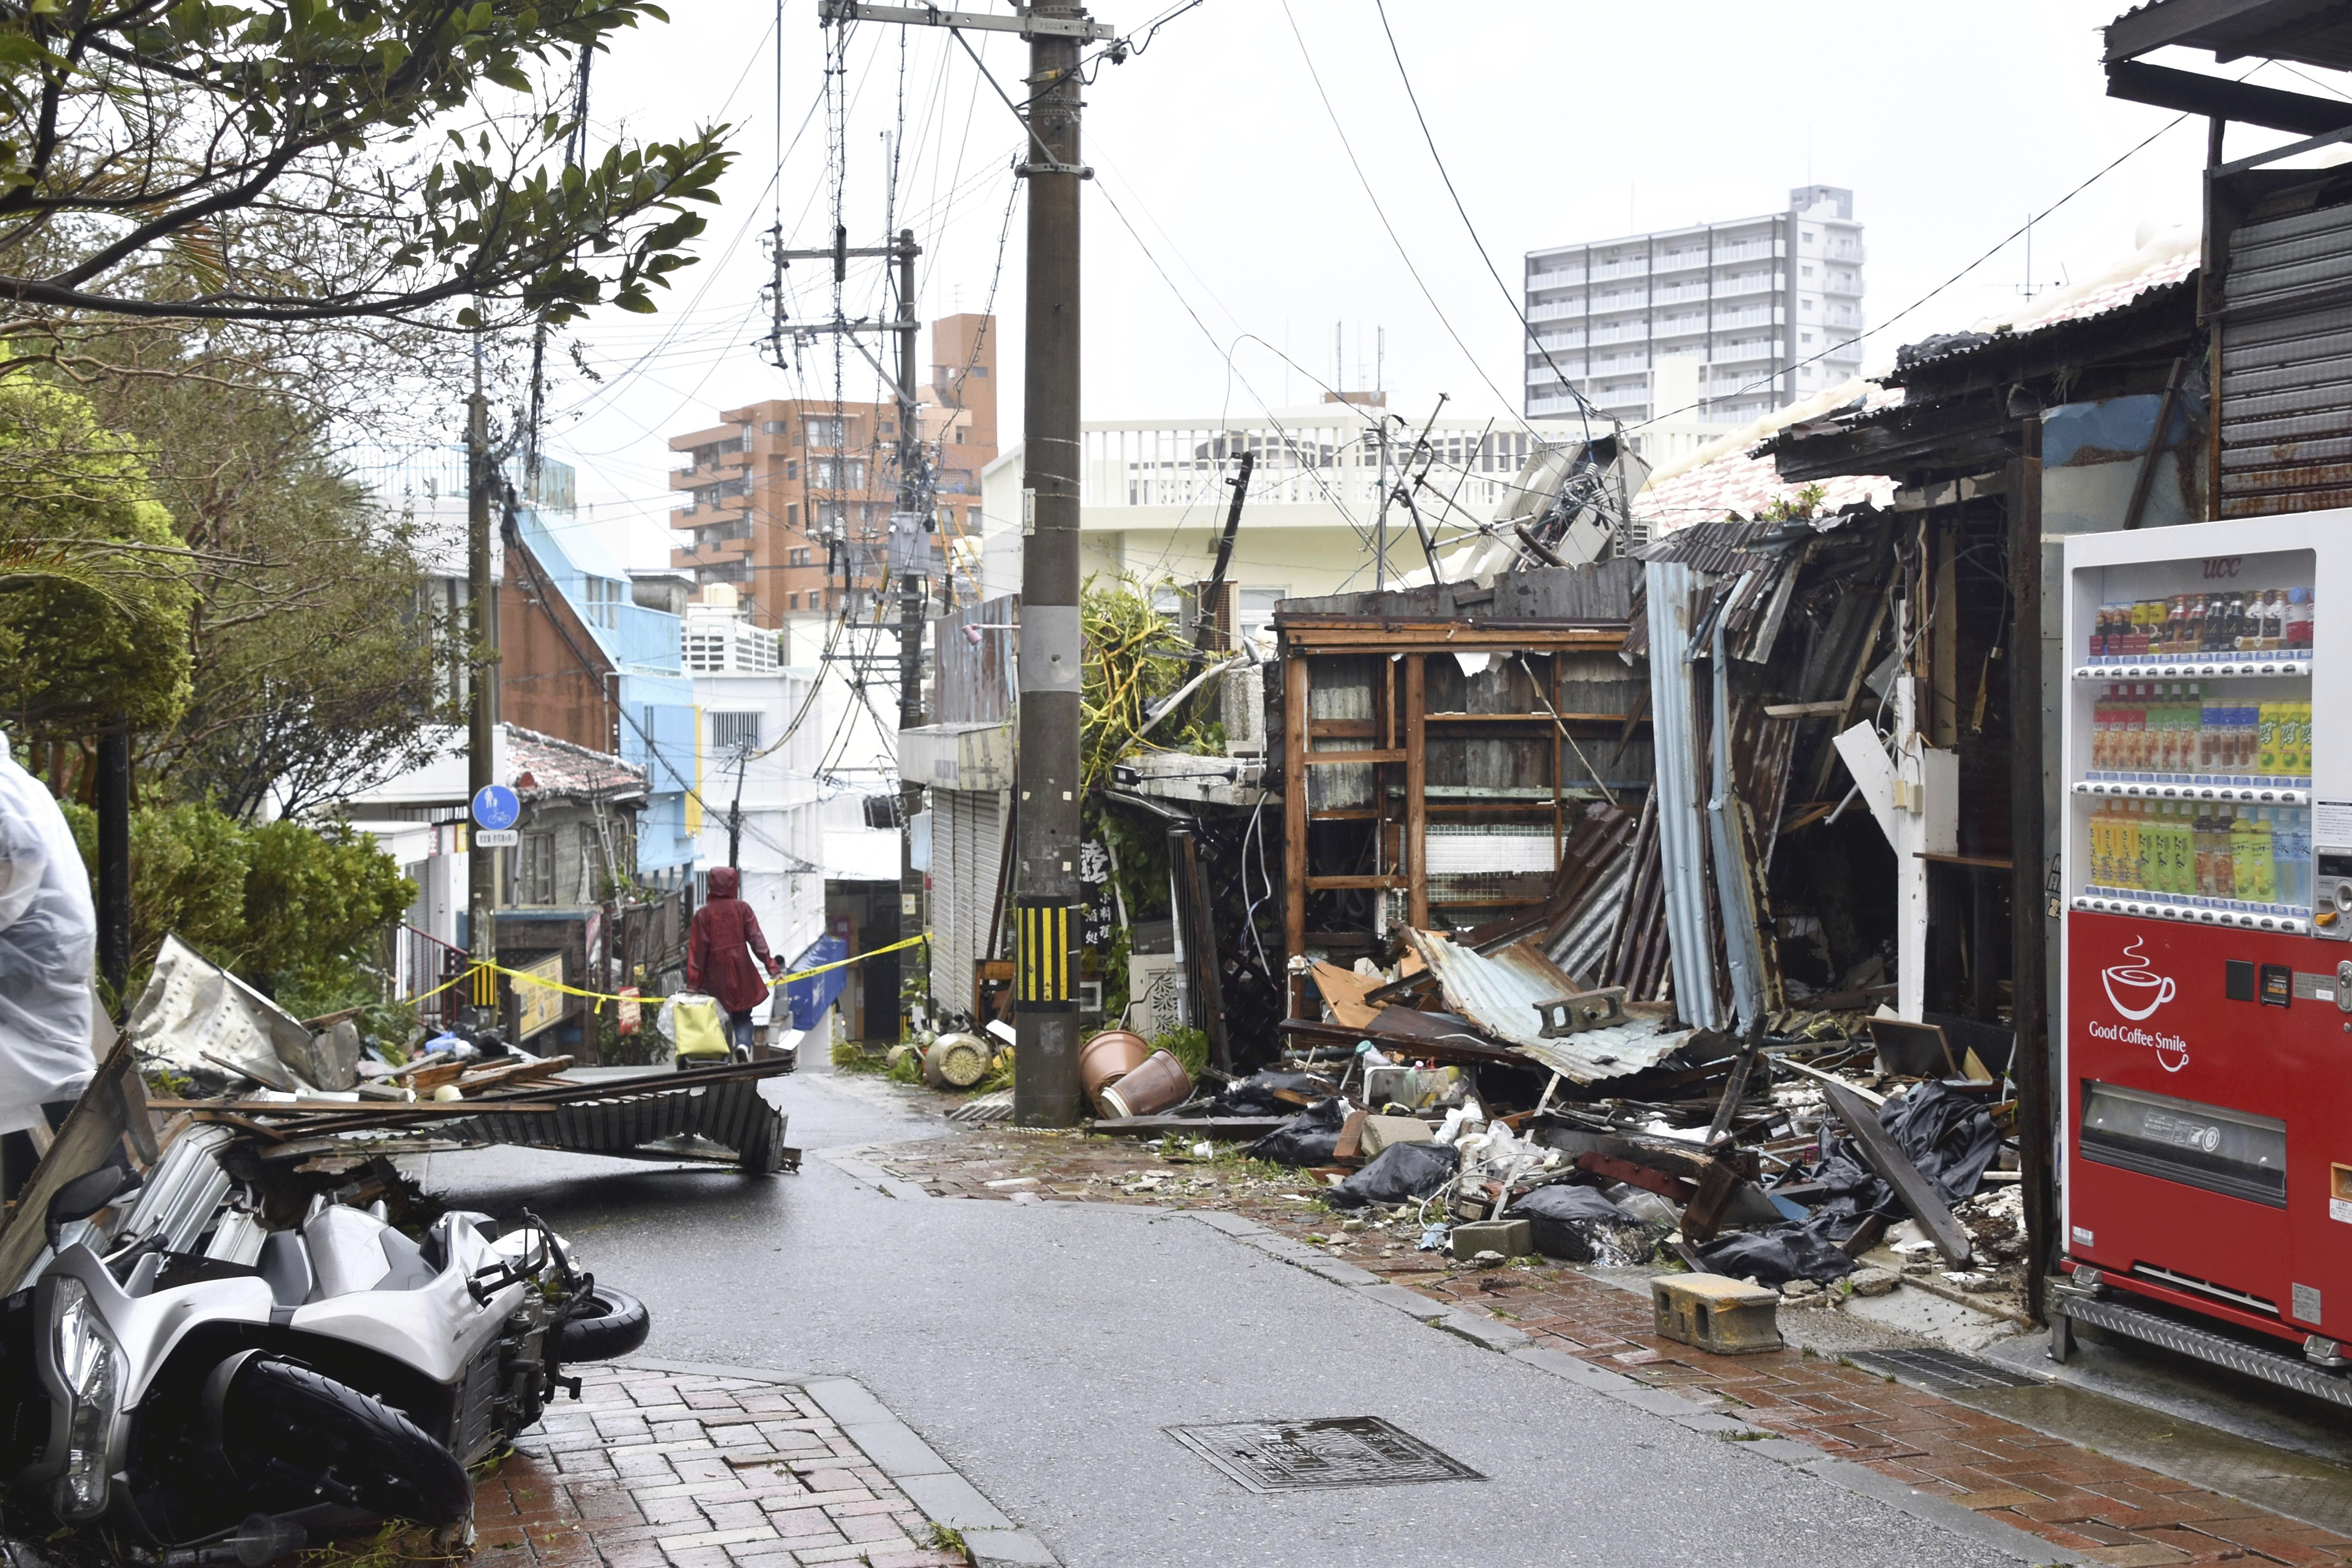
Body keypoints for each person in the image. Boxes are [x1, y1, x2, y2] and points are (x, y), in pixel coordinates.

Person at [0, 734, 98, 1204]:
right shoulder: (17, 780)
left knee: (44, 1067)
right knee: (30, 1070)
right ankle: (32, 1189)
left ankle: (100, 1177)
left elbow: (22, 853)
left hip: (28, 947)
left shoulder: (2, 785)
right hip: (43, 943)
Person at [686, 866, 780, 1060]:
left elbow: (698, 952)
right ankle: (744, 1045)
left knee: (715, 1018)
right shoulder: (742, 909)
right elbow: (757, 939)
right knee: (744, 1016)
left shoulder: (703, 915)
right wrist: (772, 966)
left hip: (714, 975)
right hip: (741, 971)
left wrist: (693, 984)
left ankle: (721, 1058)